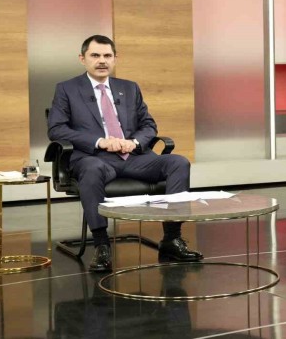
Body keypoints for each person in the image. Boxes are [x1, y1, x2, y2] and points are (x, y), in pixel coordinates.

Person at [48, 35, 202, 272]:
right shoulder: (67, 89)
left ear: (115, 59)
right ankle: (101, 244)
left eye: (107, 55)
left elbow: (148, 125)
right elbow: (57, 129)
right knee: (92, 168)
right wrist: (99, 142)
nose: (102, 61)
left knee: (178, 163)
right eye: (95, 55)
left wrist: (134, 142)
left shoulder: (129, 88)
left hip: (135, 158)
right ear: (82, 59)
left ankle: (172, 238)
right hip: (94, 159)